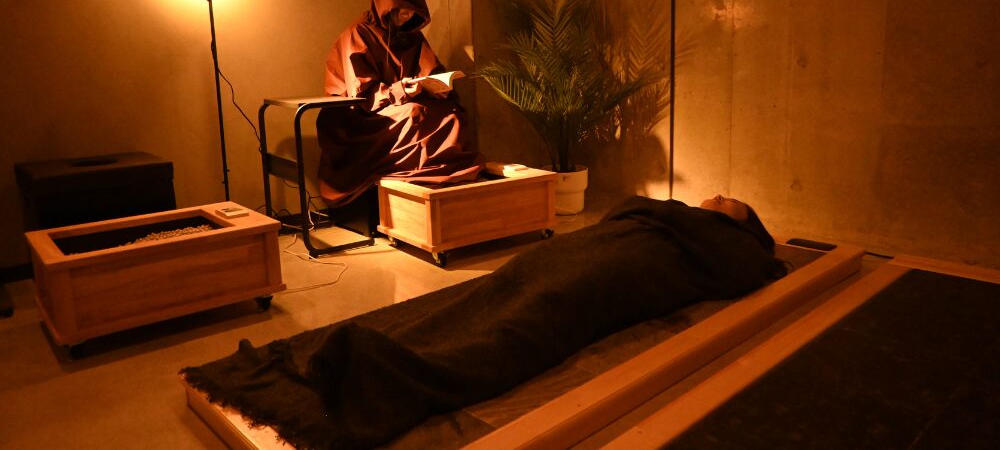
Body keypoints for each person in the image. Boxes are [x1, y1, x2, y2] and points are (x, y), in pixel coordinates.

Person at [183, 194, 786, 449]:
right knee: (496, 289)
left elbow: (751, 267)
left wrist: (741, 243)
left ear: (737, 222)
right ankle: (392, 347)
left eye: (726, 202)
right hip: (588, 249)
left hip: (618, 270)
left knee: (535, 314)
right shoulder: (667, 211)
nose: (715, 197)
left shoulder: (721, 243)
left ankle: (401, 368)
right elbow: (626, 211)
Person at [316, 0, 484, 207]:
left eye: (412, 11)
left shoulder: (410, 35)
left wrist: (438, 86)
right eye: (402, 10)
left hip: (401, 102)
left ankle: (443, 179)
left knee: (452, 114)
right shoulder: (358, 34)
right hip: (362, 116)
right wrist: (401, 90)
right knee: (415, 114)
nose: (408, 16)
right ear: (386, 6)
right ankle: (419, 179)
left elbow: (429, 68)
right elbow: (362, 94)